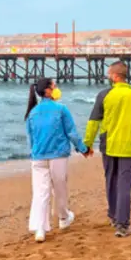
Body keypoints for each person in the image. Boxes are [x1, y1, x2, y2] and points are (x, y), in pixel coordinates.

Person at [83, 61, 131, 238]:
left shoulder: (104, 95)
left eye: (109, 74)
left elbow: (93, 122)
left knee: (110, 181)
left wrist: (87, 144)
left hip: (109, 145)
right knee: (125, 185)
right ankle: (123, 224)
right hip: (128, 145)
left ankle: (114, 215)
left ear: (116, 76)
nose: (108, 77)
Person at [24, 77, 92, 243]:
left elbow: (31, 140)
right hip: (58, 155)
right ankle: (63, 218)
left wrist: (34, 155)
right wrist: (83, 149)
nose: (57, 88)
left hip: (38, 157)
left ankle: (40, 229)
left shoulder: (31, 113)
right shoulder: (61, 109)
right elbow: (71, 133)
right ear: (48, 90)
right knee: (60, 187)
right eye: (54, 86)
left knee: (40, 193)